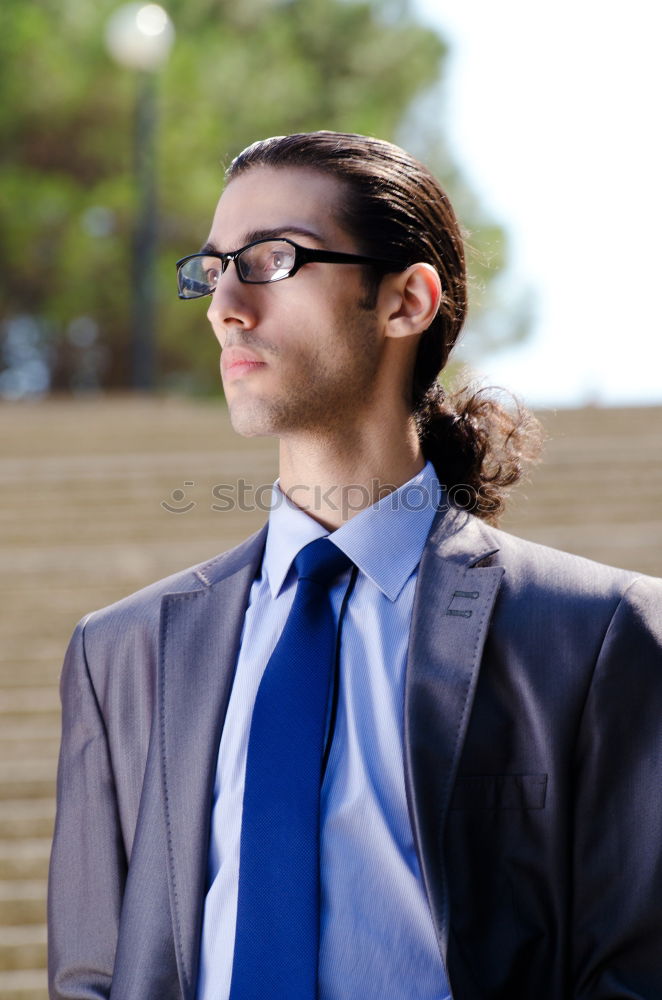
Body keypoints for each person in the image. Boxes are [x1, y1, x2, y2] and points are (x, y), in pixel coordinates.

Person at [48, 131, 662, 1000]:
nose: (224, 304)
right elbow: (94, 977)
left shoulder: (598, 634)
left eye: (270, 259)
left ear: (406, 300)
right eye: (213, 267)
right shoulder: (121, 655)